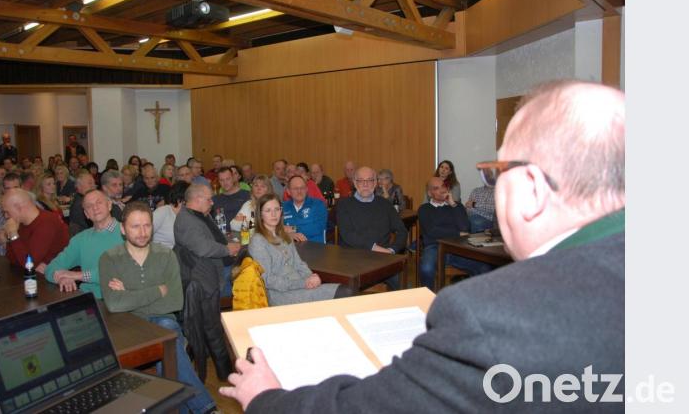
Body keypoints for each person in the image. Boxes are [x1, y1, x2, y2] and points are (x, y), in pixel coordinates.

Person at [220, 80, 625, 412]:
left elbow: (370, 408)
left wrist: (266, 400)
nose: (495, 186)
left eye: (496, 173)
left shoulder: (489, 314)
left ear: (532, 188)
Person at [100, 201, 218, 414]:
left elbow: (174, 302)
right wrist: (157, 290)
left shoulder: (166, 255)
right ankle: (206, 408)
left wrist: (129, 294)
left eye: (147, 225)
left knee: (167, 331)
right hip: (127, 325)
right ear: (123, 229)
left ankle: (199, 409)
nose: (143, 232)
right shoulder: (109, 259)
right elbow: (114, 304)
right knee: (170, 341)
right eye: (135, 226)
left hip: (163, 320)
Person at [173, 183, 241, 382]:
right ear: (197, 199)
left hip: (210, 274)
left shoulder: (199, 215)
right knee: (212, 326)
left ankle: (224, 369)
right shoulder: (186, 220)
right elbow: (203, 248)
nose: (212, 202)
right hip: (201, 279)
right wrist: (227, 249)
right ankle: (226, 373)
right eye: (209, 199)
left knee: (212, 325)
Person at [249, 193, 347, 306]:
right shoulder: (258, 241)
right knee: (343, 292)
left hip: (299, 285)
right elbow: (268, 279)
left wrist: (311, 277)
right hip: (280, 294)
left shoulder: (284, 235)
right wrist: (303, 283)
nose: (273, 214)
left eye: (277, 209)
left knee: (344, 290)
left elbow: (299, 264)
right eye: (268, 210)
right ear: (260, 215)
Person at [37, 190, 123, 297]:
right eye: (89, 206)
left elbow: (120, 272)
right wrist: (62, 278)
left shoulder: (127, 233)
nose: (95, 208)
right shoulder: (80, 239)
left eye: (99, 202)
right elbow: (51, 268)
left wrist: (77, 275)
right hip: (89, 300)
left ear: (109, 205)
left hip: (120, 300)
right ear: (86, 214)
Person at [336, 166, 407, 290]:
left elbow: (402, 230)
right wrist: (375, 247)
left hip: (382, 260)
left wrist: (392, 250)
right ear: (354, 183)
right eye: (360, 180)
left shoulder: (385, 204)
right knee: (342, 293)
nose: (365, 184)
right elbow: (348, 234)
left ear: (375, 183)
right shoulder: (344, 205)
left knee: (405, 288)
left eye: (369, 180)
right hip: (352, 260)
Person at [418, 176, 493, 289]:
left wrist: (453, 204)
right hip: (434, 247)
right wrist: (457, 234)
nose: (442, 190)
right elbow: (432, 231)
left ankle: (478, 302)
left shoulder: (456, 207)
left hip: (457, 247)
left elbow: (465, 227)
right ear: (429, 193)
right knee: (426, 269)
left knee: (484, 267)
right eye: (436, 188)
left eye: (443, 186)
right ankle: (427, 301)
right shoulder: (424, 209)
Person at [2, 189, 69, 267]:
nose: (6, 216)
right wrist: (11, 234)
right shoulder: (19, 222)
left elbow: (29, 264)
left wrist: (13, 235)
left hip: (55, 275)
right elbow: (11, 258)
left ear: (19, 207)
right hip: (31, 273)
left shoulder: (47, 222)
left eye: (7, 212)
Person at [282, 176, 328, 243]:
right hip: (289, 249)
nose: (299, 191)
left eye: (302, 188)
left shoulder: (318, 204)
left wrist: (292, 229)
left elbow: (316, 228)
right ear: (288, 191)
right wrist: (287, 234)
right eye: (295, 188)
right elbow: (275, 228)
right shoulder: (283, 206)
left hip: (314, 248)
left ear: (306, 189)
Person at [152, 181, 189, 249]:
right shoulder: (162, 212)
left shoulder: (187, 215)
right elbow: (144, 235)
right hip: (161, 255)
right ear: (181, 199)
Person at [212, 167, 249, 231]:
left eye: (228, 179)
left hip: (243, 235)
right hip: (221, 236)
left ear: (233, 178)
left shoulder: (246, 195)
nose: (225, 183)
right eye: (222, 180)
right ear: (218, 181)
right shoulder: (214, 200)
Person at [68, 171, 95, 236]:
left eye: (94, 183)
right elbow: (93, 227)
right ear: (79, 186)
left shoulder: (84, 199)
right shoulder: (80, 205)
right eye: (90, 183)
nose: (93, 186)